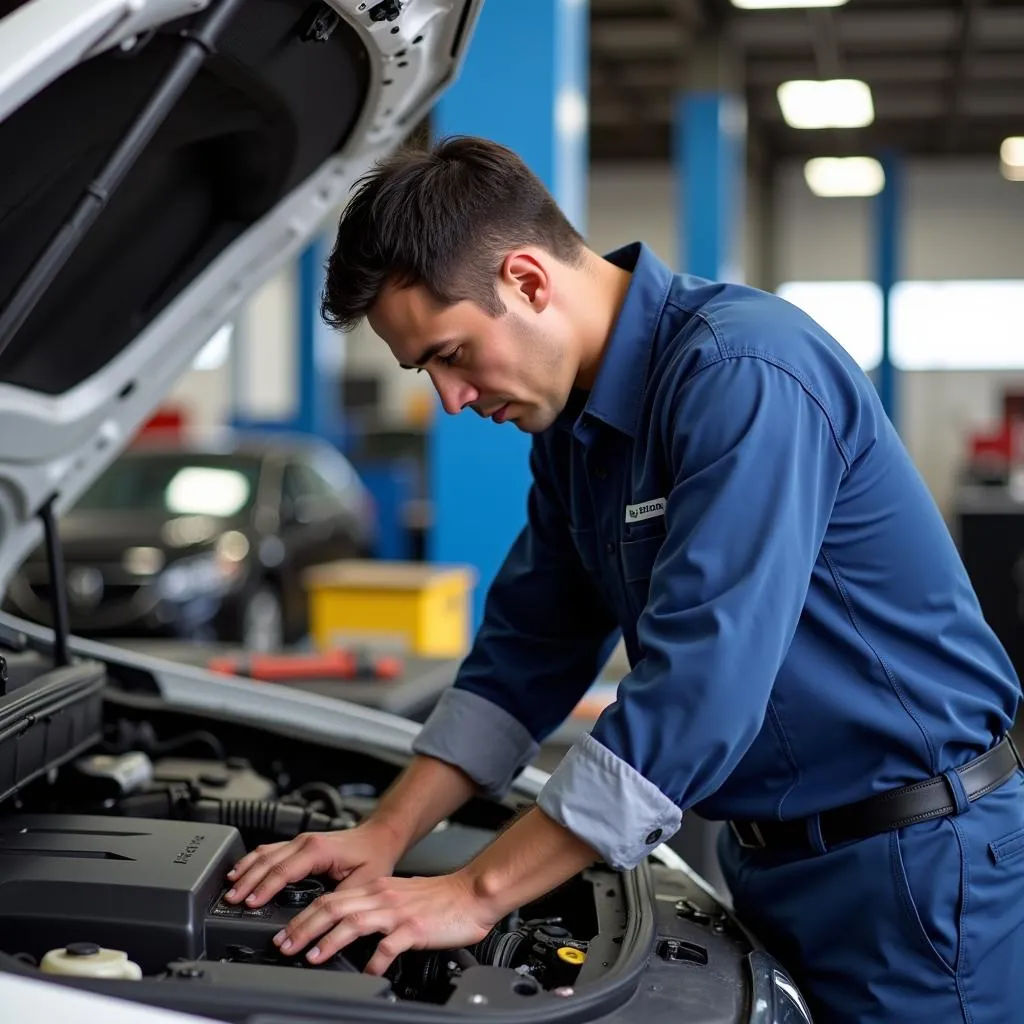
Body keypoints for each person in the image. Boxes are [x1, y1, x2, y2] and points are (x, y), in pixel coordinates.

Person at [224, 136, 1024, 1022]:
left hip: (914, 871)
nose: (449, 400)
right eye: (425, 372)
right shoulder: (574, 430)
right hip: (771, 863)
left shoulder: (741, 372)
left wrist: (477, 893)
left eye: (451, 354)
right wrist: (386, 832)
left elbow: (702, 688)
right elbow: (525, 653)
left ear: (528, 280)